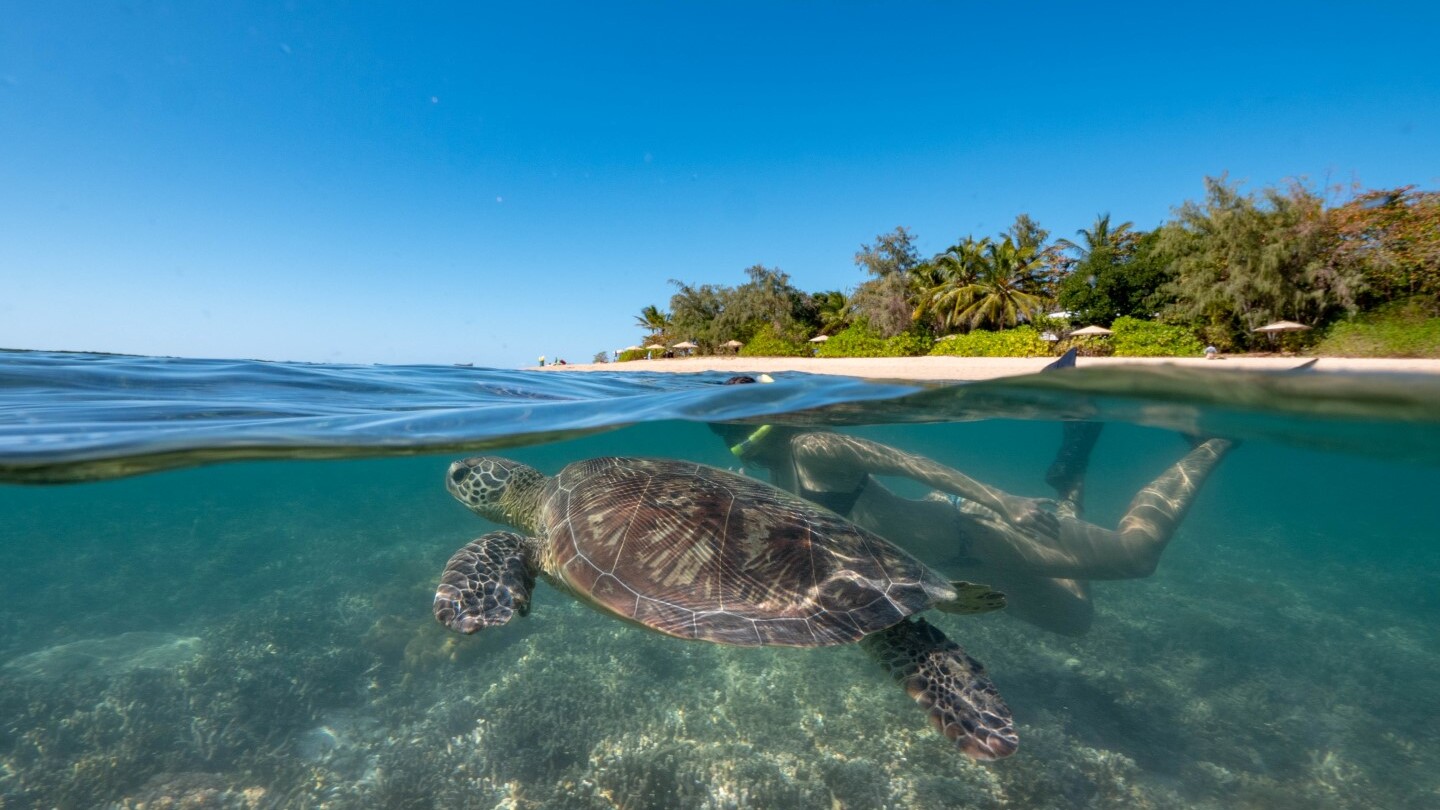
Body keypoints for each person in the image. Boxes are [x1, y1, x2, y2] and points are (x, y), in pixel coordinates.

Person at [712, 370, 1232, 635]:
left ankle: (1212, 442)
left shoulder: (813, 445)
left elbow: (913, 465)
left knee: (1135, 556)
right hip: (961, 563)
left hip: (975, 531)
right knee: (1074, 623)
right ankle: (1070, 479)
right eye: (726, 425)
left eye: (738, 421)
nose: (737, 436)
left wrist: (1002, 501)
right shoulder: (773, 472)